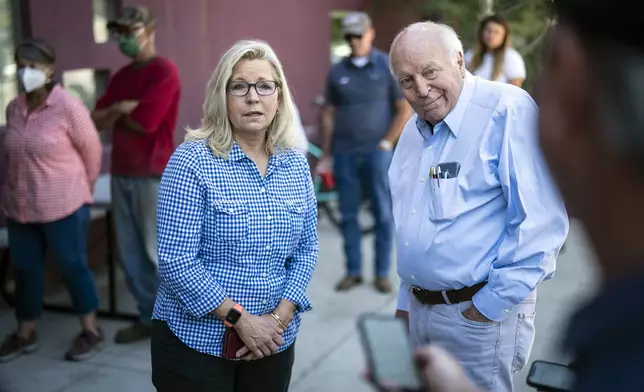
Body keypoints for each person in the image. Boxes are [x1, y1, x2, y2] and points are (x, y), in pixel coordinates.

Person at [387, 22, 568, 392]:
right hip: (419, 312)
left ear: (458, 60)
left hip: (475, 319)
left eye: (430, 72)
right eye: (406, 81)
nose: (421, 90)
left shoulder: (506, 109)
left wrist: (485, 308)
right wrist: (406, 303)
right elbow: (411, 224)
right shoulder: (411, 131)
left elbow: (541, 226)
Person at [150, 39, 318, 392]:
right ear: (221, 97)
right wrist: (242, 321)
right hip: (196, 346)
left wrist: (278, 318)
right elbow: (176, 260)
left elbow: (307, 248)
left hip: (274, 342)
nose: (253, 97)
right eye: (239, 86)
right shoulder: (191, 162)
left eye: (264, 86)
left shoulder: (295, 163)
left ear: (279, 95)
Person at [0, 39, 103, 362]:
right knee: (26, 269)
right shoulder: (14, 107)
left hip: (65, 207)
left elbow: (93, 152)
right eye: (21, 65)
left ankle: (90, 329)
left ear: (49, 70)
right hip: (20, 208)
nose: (26, 72)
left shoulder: (68, 107)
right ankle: (25, 333)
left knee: (72, 267)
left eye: (34, 66)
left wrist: (81, 190)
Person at [90, 5, 181, 344]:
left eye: (131, 31)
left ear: (149, 29)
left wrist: (120, 112)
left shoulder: (164, 71)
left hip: (151, 174)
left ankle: (174, 326)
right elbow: (94, 119)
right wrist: (120, 108)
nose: (125, 39)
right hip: (121, 172)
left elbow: (146, 122)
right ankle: (149, 317)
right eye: (120, 33)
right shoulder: (121, 77)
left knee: (155, 251)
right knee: (129, 252)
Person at [319, 11, 410, 293]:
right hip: (345, 152)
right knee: (348, 216)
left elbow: (403, 109)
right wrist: (326, 154)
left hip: (377, 153)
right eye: (349, 36)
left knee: (383, 214)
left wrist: (387, 142)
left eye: (358, 34)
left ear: (370, 33)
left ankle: (382, 273)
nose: (354, 40)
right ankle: (353, 271)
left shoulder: (385, 65)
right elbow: (329, 114)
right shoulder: (338, 70)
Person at [464, 14, 526, 87]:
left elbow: (515, 89)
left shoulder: (511, 57)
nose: (491, 35)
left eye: (496, 32)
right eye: (488, 31)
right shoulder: (470, 55)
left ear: (504, 36)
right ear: (482, 32)